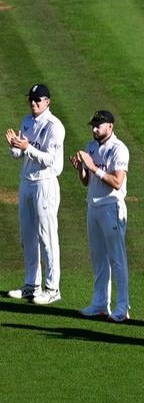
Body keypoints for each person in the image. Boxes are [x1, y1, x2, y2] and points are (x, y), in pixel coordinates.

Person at [5, 84, 65, 305]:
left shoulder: (54, 126)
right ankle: (31, 285)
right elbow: (18, 154)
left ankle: (52, 288)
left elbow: (52, 161)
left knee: (47, 236)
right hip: (27, 182)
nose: (33, 103)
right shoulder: (27, 121)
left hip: (45, 184)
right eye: (31, 99)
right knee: (27, 236)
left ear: (47, 102)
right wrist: (15, 146)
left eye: (38, 100)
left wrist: (27, 147)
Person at [69, 110, 130, 322]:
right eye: (93, 125)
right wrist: (81, 170)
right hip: (93, 207)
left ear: (110, 127)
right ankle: (100, 304)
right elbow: (87, 182)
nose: (94, 129)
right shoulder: (91, 147)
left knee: (117, 258)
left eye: (99, 125)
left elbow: (117, 182)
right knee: (98, 257)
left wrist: (93, 167)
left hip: (111, 207)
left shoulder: (119, 149)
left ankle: (123, 307)